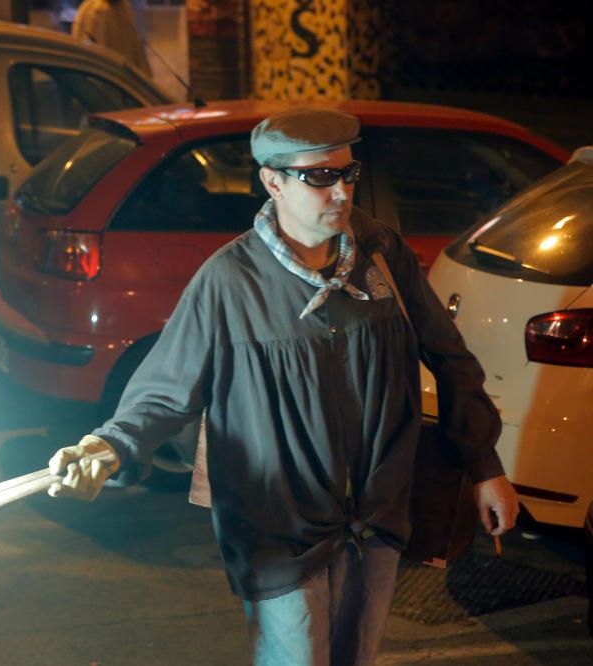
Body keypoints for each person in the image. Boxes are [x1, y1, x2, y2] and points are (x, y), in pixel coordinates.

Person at [47, 107, 520, 665]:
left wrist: (485, 467)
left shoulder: (382, 256)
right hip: (277, 527)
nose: (340, 192)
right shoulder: (228, 281)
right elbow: (163, 391)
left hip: (376, 517)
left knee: (356, 656)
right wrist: (108, 446)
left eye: (348, 174)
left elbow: (449, 355)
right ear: (272, 182)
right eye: (319, 177)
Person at [71, 0, 151, 78]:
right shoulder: (94, 12)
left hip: (122, 83)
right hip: (110, 84)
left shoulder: (124, 9)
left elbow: (137, 55)